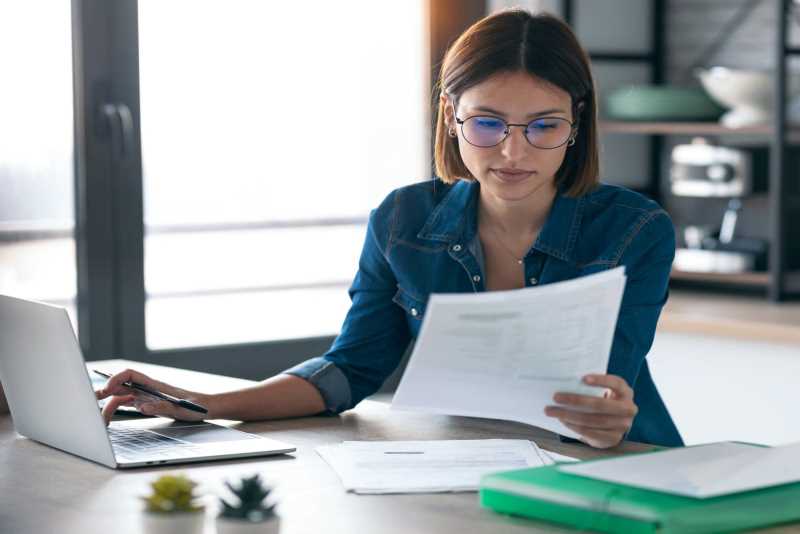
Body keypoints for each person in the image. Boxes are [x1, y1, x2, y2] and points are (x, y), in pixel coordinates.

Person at [96, 9, 683, 449]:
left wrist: (605, 417)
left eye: (542, 126)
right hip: (466, 466)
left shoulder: (635, 231)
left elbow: (605, 392)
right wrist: (202, 403)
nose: (512, 151)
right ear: (451, 117)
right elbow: (349, 370)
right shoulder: (403, 220)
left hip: (619, 464)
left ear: (576, 124)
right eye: (486, 123)